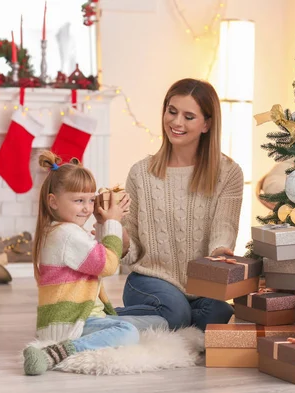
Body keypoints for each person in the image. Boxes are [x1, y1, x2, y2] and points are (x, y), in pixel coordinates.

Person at [22, 151, 167, 376]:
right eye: (79, 200)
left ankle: (90, 339)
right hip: (71, 322)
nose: (87, 208)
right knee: (127, 331)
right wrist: (112, 223)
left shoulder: (66, 231)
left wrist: (103, 224)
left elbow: (98, 256)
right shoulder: (67, 234)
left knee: (159, 323)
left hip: (86, 314)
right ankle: (59, 351)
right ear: (53, 201)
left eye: (91, 200)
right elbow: (108, 265)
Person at [115, 78, 244, 331]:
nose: (176, 122)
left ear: (207, 124)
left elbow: (224, 226)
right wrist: (112, 227)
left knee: (221, 313)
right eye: (172, 112)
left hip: (201, 285)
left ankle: (164, 320)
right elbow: (131, 248)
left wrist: (220, 252)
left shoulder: (228, 173)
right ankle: (104, 319)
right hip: (150, 280)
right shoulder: (141, 173)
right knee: (175, 311)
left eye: (188, 116)